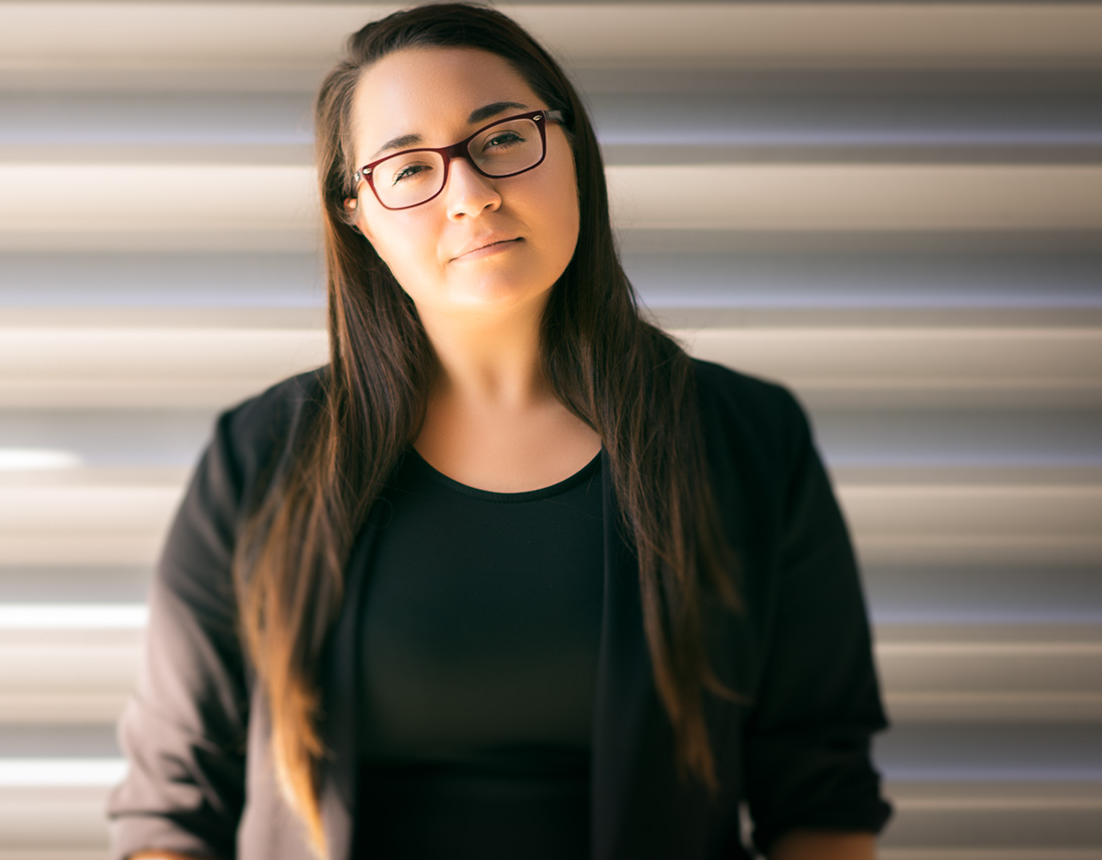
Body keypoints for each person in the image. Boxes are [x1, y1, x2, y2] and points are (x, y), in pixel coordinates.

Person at [104, 4, 893, 860]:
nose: (473, 194)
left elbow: (821, 795)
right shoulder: (260, 458)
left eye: (505, 139)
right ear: (356, 213)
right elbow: (172, 810)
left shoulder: (746, 441)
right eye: (408, 169)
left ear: (572, 149)